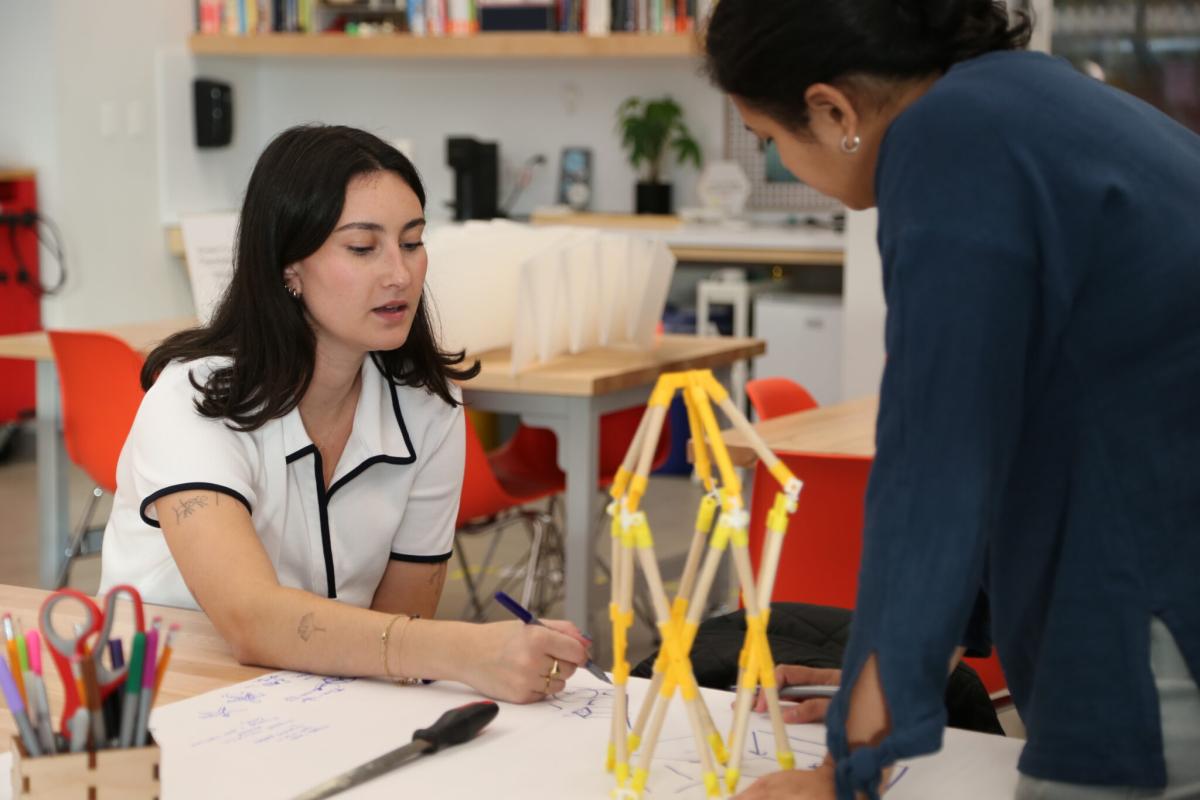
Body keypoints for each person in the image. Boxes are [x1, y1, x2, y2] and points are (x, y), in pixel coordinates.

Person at [704, 1, 1200, 798]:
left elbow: (933, 471)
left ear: (832, 110)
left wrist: (848, 765)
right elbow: (997, 427)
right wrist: (884, 687)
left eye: (770, 140)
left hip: (1153, 603)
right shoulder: (1028, 100)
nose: (783, 162)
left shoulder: (948, 144)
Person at [99, 124, 587, 704]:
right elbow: (251, 619)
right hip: (164, 700)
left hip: (321, 701)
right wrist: (469, 651)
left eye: (412, 243)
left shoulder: (429, 407)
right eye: (363, 248)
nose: (399, 274)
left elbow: (398, 629)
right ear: (288, 268)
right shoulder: (194, 400)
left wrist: (447, 651)